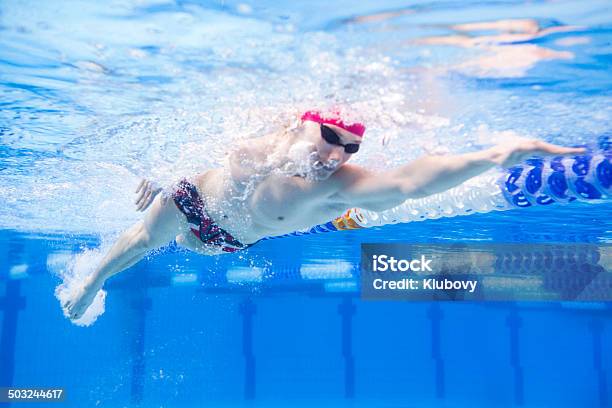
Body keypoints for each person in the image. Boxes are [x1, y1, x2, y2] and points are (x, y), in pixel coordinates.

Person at [63, 109, 585, 320]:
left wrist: (493, 157)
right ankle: (89, 283)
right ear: (299, 125)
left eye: (350, 147)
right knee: (140, 242)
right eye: (329, 137)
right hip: (191, 205)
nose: (336, 155)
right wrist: (154, 175)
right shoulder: (251, 148)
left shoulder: (340, 187)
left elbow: (412, 181)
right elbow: (178, 149)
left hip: (230, 240)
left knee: (187, 246)